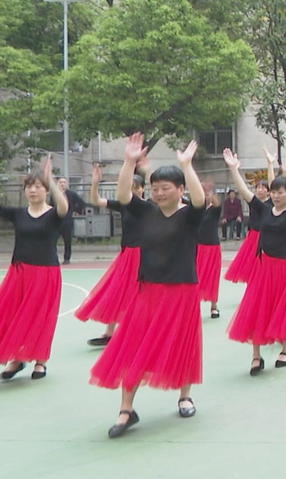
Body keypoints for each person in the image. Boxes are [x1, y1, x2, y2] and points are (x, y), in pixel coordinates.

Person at [90, 133, 205, 437]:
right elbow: (124, 194)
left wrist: (186, 165)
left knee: (182, 343)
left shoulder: (190, 216)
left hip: (182, 290)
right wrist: (128, 161)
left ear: (180, 189)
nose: (159, 193)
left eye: (165, 188)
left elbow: (200, 199)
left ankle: (185, 396)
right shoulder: (147, 212)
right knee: (132, 345)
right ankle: (126, 409)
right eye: (155, 188)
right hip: (147, 290)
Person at [224, 148, 286, 375]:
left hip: (284, 269)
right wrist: (234, 169)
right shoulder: (263, 210)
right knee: (256, 308)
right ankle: (256, 356)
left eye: (281, 192)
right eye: (273, 191)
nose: (276, 195)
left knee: (281, 309)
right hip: (263, 268)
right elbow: (245, 191)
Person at [0, 154, 69, 381]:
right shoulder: (18, 214)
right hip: (19, 273)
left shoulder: (53, 215)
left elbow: (64, 205)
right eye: (29, 186)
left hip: (45, 273)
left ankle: (40, 361)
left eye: (38, 186)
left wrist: (50, 179)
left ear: (46, 190)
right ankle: (16, 359)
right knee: (10, 315)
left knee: (40, 318)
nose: (33, 190)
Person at [75, 164, 146, 346]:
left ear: (143, 189)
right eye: (130, 188)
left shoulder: (149, 207)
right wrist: (95, 183)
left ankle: (138, 331)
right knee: (117, 290)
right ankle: (109, 332)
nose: (132, 191)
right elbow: (96, 200)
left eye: (136, 188)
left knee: (139, 293)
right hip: (127, 255)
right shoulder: (125, 205)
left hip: (144, 255)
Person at [223, 148, 277, 284]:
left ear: (269, 192)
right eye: (258, 187)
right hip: (253, 237)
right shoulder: (254, 202)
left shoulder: (272, 203)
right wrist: (234, 169)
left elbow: (273, 184)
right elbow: (243, 189)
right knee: (251, 268)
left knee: (265, 269)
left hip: (266, 237)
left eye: (263, 188)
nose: (260, 189)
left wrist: (270, 164)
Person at [196, 182, 224, 319]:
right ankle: (195, 305)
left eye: (206, 193)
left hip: (212, 247)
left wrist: (211, 193)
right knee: (197, 276)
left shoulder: (214, 210)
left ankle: (214, 306)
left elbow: (218, 204)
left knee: (213, 276)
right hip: (198, 247)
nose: (204, 196)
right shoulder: (196, 209)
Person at [56, 177, 86, 265]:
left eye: (64, 182)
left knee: (67, 241)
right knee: (52, 240)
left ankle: (67, 258)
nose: (62, 184)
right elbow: (51, 205)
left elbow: (82, 203)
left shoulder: (71, 194)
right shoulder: (55, 194)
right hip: (56, 221)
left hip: (67, 220)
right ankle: (53, 258)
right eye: (60, 182)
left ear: (67, 184)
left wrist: (75, 211)